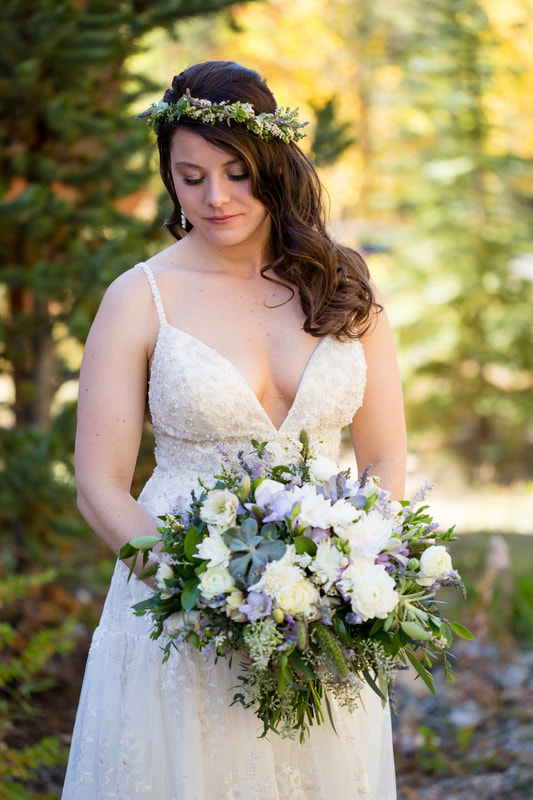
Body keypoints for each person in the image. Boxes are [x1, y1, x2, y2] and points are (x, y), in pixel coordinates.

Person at [62, 60, 405, 799]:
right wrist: (201, 594)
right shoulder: (139, 297)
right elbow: (98, 485)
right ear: (168, 179)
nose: (214, 197)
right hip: (178, 613)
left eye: (236, 172)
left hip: (322, 614)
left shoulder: (344, 286)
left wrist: (350, 579)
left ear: (274, 166)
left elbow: (382, 458)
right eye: (190, 177)